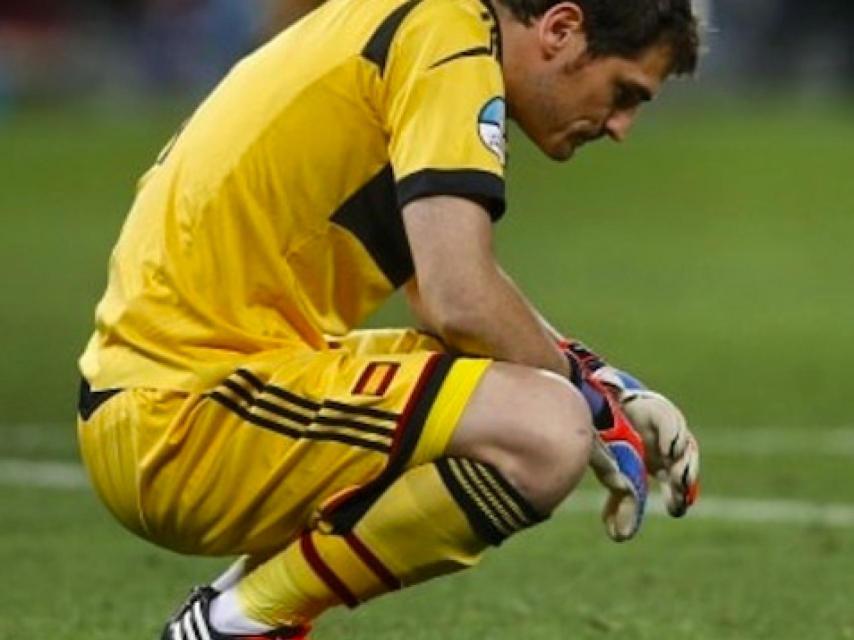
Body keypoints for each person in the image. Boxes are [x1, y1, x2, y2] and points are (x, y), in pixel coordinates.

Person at [77, 0, 701, 638]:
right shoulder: (449, 41)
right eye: (625, 93)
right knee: (546, 432)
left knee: (533, 401)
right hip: (185, 413)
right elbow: (460, 297)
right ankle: (236, 624)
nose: (621, 125)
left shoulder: (420, 24)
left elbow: (445, 299)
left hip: (181, 391)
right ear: (561, 29)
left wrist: (604, 384)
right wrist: (594, 409)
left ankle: (235, 617)